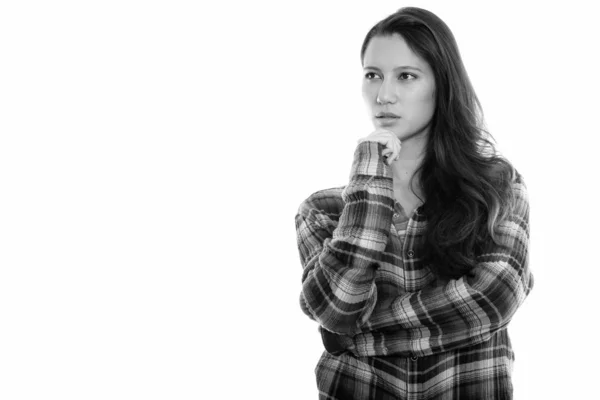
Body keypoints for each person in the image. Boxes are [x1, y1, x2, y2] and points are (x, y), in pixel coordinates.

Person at [294, 6, 534, 400]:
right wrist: (369, 172)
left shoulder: (496, 186)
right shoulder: (323, 210)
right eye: (373, 75)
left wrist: (353, 336)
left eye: (406, 76)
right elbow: (337, 309)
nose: (383, 95)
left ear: (442, 83)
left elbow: (494, 299)